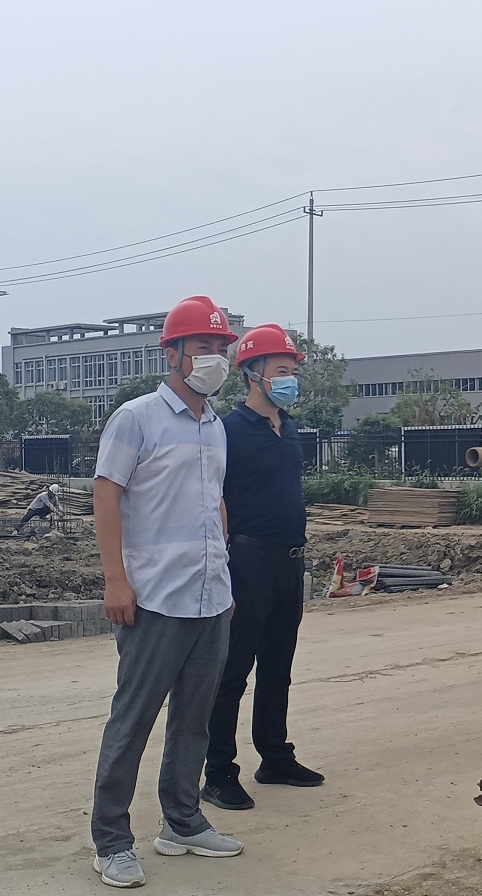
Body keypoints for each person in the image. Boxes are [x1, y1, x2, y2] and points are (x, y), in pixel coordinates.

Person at [90, 295, 243, 889]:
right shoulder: (137, 418)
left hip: (210, 595)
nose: (214, 357)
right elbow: (107, 494)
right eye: (203, 346)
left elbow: (215, 503)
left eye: (221, 347)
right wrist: (115, 578)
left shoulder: (215, 426)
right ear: (172, 354)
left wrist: (223, 574)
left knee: (194, 719)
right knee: (132, 720)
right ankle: (111, 841)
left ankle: (182, 822)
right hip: (154, 596)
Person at [202, 324, 323, 812]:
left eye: (293, 371)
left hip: (288, 562)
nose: (290, 379)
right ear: (253, 373)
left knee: (278, 667)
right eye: (281, 370)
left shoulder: (287, 428)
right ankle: (217, 772)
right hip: (246, 561)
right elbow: (212, 499)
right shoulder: (227, 431)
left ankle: (275, 757)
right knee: (233, 671)